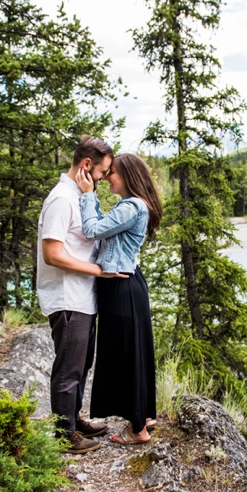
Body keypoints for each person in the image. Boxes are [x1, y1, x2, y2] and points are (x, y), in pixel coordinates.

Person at [36, 135, 126, 454]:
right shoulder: (62, 198)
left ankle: (73, 420)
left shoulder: (78, 196)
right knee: (69, 367)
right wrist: (99, 272)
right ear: (86, 166)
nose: (103, 178)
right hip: (67, 296)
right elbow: (53, 254)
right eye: (102, 172)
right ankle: (64, 434)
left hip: (82, 296)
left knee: (82, 363)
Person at [75, 153, 163, 445]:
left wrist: (88, 196)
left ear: (127, 176)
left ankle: (138, 431)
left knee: (126, 354)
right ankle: (144, 414)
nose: (106, 177)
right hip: (125, 284)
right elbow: (104, 229)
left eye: (112, 172)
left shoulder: (132, 207)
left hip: (121, 285)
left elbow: (91, 231)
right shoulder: (129, 206)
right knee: (134, 351)